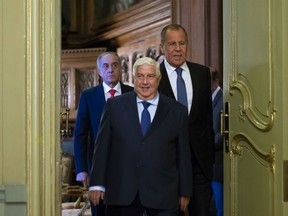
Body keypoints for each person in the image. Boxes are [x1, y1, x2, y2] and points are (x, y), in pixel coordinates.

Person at [89, 57, 193, 216]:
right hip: (122, 195)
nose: (145, 82)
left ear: (158, 79)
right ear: (133, 78)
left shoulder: (176, 111)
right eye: (140, 76)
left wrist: (185, 191)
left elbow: (183, 155)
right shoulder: (114, 106)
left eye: (150, 76)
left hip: (163, 196)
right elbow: (102, 147)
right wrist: (97, 183)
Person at [158, 24, 215, 216]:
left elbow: (206, 117)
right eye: (172, 44)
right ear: (162, 47)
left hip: (199, 164)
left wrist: (208, 158)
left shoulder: (201, 73)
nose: (178, 49)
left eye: (182, 43)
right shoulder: (154, 78)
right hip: (167, 165)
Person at [73, 51, 133, 216]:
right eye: (105, 66)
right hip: (97, 169)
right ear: (99, 71)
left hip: (128, 168)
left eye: (115, 65)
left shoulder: (132, 94)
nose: (110, 70)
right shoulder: (88, 96)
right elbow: (80, 134)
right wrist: (81, 169)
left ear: (120, 69)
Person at [210, 67, 223, 216]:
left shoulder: (224, 98)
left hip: (218, 166)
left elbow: (225, 133)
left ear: (216, 81)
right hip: (207, 166)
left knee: (220, 209)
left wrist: (204, 144)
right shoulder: (205, 98)